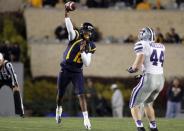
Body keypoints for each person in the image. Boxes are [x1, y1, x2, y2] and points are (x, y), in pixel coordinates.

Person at [55, 5, 96, 130]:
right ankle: (58, 109)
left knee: (81, 94)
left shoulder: (91, 45)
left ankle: (86, 119)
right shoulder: (75, 36)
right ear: (82, 30)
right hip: (66, 69)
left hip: (77, 71)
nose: (88, 34)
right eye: (87, 31)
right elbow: (69, 28)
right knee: (60, 94)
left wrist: (83, 51)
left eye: (90, 32)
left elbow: (87, 63)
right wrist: (66, 13)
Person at [127, 27, 165, 131]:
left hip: (150, 79)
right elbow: (153, 64)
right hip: (160, 80)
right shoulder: (161, 46)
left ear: (144, 35)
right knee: (147, 103)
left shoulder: (142, 44)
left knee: (133, 104)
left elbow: (138, 64)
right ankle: (153, 127)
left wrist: (132, 69)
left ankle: (140, 127)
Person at [0, 52, 24, 117]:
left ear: (2, 60)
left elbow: (13, 74)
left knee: (16, 92)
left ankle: (21, 112)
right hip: (1, 79)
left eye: (0, 61)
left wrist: (15, 85)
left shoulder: (8, 64)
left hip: (9, 79)